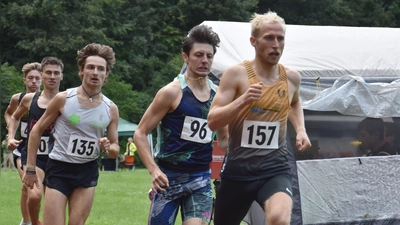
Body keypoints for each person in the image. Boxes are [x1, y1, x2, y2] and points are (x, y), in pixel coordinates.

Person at [207, 11, 312, 225]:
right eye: (269, 38)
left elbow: (294, 102)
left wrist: (300, 129)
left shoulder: (291, 77)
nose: (276, 44)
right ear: (254, 42)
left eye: (280, 38)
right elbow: (213, 121)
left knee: (278, 219)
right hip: (238, 172)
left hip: (275, 168)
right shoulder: (236, 74)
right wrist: (242, 101)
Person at [134, 25, 229, 225]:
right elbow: (140, 133)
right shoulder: (171, 92)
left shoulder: (219, 95)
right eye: (199, 55)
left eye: (209, 56)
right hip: (167, 179)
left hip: (200, 179)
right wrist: (154, 170)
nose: (204, 60)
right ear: (185, 57)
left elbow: (225, 139)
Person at [22, 43, 119, 225]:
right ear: (81, 70)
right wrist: (30, 168)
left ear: (106, 75)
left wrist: (109, 147)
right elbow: (36, 130)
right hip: (59, 168)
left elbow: (115, 149)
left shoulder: (111, 109)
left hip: (87, 170)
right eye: (90, 67)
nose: (95, 73)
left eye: (101, 69)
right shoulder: (64, 99)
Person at [8, 57, 64, 225]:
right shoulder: (28, 99)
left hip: (56, 156)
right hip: (32, 154)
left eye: (56, 73)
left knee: (51, 199)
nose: (52, 76)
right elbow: (13, 117)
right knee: (34, 194)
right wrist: (10, 136)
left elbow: (76, 122)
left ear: (62, 76)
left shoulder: (67, 101)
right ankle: (31, 222)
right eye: (48, 73)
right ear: (43, 75)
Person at [4, 62, 42, 225]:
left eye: (37, 78)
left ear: (42, 80)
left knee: (38, 190)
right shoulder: (18, 98)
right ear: (24, 80)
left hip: (45, 148)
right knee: (28, 187)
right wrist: (10, 134)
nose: (34, 81)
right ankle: (27, 222)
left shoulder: (51, 99)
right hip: (23, 146)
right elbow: (9, 114)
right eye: (30, 78)